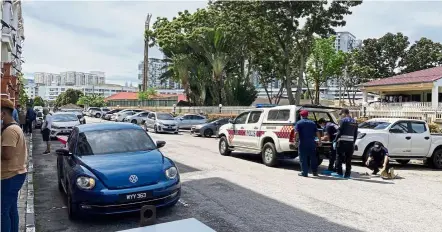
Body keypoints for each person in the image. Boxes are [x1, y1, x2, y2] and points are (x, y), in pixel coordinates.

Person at [1, 99, 28, 232]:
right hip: (14, 174)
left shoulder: (10, 131)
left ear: (3, 113)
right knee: (11, 209)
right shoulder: (13, 127)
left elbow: (7, 155)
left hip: (10, 176)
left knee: (2, 212)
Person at [295, 110, 322, 177]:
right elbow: (317, 132)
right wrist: (320, 141)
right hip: (312, 144)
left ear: (301, 116)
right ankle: (315, 172)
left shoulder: (299, 123)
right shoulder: (312, 123)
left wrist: (296, 141)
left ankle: (304, 172)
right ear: (307, 115)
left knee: (303, 158)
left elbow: (296, 133)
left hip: (303, 143)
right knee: (313, 158)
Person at [333, 108, 358, 178]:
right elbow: (355, 134)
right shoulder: (355, 121)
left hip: (342, 143)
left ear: (344, 113)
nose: (341, 116)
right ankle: (347, 174)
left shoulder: (343, 121)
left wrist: (335, 140)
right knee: (348, 159)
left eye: (341, 114)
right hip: (350, 143)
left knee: (339, 157)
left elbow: (339, 132)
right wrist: (353, 142)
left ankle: (339, 173)